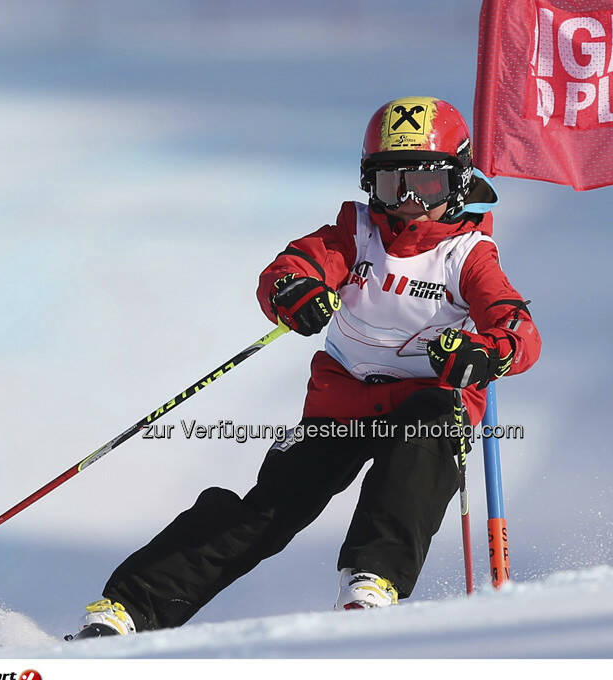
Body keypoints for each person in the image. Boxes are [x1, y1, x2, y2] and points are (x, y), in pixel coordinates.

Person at [72, 96, 541, 637]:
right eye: (393, 185)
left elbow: (519, 332)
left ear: (457, 181)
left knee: (423, 443)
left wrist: (486, 354)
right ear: (371, 185)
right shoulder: (357, 230)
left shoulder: (469, 255)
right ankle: (129, 608)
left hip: (428, 401)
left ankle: (372, 582)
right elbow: (292, 267)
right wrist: (294, 292)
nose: (409, 202)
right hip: (342, 402)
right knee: (270, 511)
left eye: (427, 185)